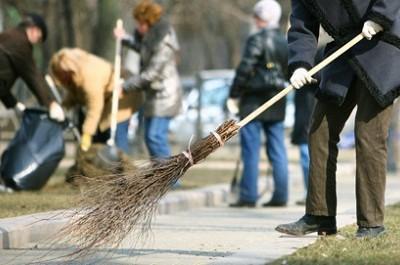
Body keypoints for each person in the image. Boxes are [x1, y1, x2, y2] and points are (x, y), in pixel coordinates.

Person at [276, 0, 400, 238]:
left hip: (381, 46)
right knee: (319, 130)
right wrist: (300, 65)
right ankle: (319, 215)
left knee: (369, 136)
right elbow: (302, 25)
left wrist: (379, 16)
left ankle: (371, 224)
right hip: (344, 52)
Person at [228, 0, 289, 208]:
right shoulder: (284, 41)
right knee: (277, 148)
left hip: (253, 101)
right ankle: (281, 195)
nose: (254, 19)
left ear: (260, 17)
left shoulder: (256, 39)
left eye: (256, 16)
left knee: (250, 149)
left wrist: (234, 93)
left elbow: (245, 68)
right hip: (277, 99)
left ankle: (248, 195)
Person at [0, 13, 65, 192]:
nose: (37, 41)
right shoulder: (19, 42)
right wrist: (50, 103)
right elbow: (32, 75)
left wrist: (13, 103)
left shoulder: (10, 38)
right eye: (39, 37)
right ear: (34, 29)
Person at [114, 0, 182, 159]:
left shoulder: (164, 41)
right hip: (155, 95)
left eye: (140, 23)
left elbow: (152, 73)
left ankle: (170, 179)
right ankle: (160, 178)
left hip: (165, 96)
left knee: (155, 137)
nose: (138, 27)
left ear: (149, 22)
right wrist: (124, 39)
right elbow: (143, 50)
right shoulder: (151, 38)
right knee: (150, 138)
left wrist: (125, 87)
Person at [49, 48, 144, 153]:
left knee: (117, 136)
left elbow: (95, 107)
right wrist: (62, 107)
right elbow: (74, 95)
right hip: (108, 99)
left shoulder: (89, 75)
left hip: (122, 96)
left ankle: (125, 166)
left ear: (66, 71)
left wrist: (87, 133)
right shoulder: (76, 75)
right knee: (102, 136)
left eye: (59, 75)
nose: (60, 79)